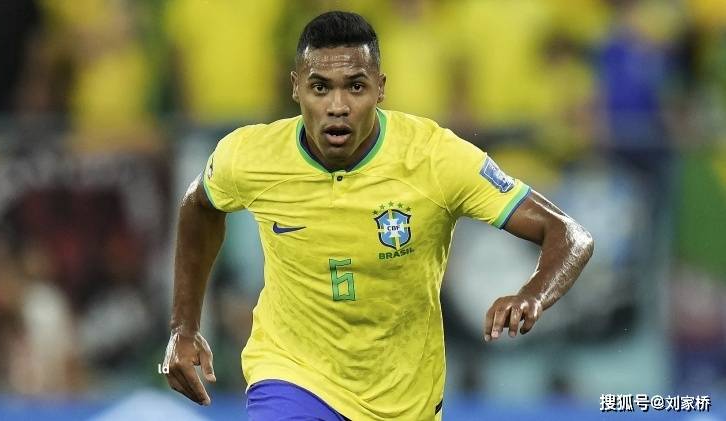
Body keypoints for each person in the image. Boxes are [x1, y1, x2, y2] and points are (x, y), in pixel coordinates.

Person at [163, 11, 594, 421]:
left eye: (355, 87)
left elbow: (569, 234)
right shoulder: (250, 156)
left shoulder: (434, 158)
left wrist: (533, 295)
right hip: (291, 373)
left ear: (381, 88)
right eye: (320, 88)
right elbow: (199, 205)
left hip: (402, 398)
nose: (337, 106)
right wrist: (184, 326)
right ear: (295, 88)